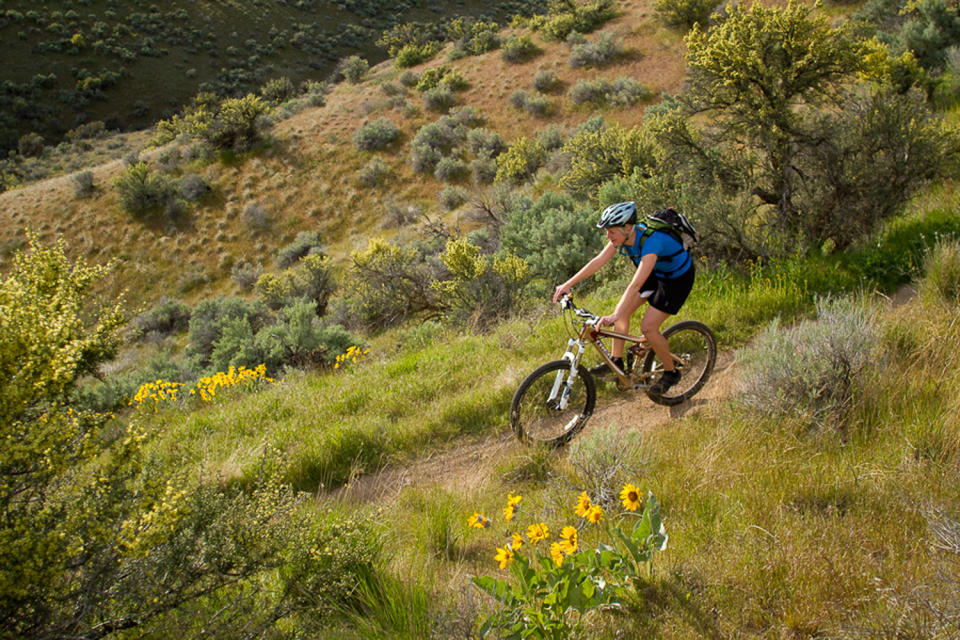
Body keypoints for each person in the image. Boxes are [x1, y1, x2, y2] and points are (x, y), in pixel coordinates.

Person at [552, 201, 695, 394]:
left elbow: (635, 284)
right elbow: (598, 261)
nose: (608, 236)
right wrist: (568, 284)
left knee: (648, 327)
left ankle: (671, 372)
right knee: (622, 315)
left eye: (611, 232)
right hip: (657, 273)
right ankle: (616, 361)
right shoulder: (623, 238)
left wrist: (614, 315)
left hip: (676, 280)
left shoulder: (652, 243)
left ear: (627, 227)